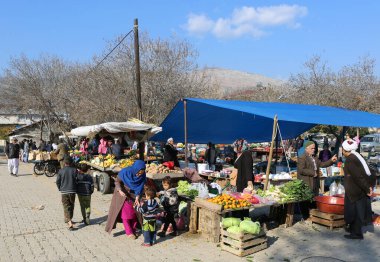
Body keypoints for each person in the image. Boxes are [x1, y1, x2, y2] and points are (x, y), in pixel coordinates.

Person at [105, 160, 147, 238]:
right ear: (135, 169)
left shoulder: (143, 175)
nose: (139, 175)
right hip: (123, 195)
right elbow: (117, 182)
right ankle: (129, 232)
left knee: (135, 213)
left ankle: (134, 229)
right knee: (126, 215)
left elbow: (141, 187)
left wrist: (138, 197)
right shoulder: (125, 172)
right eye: (138, 172)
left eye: (141, 173)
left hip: (134, 195)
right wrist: (120, 190)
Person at [342, 139, 373, 240]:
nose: (342, 151)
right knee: (355, 210)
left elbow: (358, 176)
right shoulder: (357, 156)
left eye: (342, 149)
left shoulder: (351, 159)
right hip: (357, 189)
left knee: (354, 211)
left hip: (354, 190)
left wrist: (367, 189)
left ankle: (356, 233)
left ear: (345, 150)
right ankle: (353, 230)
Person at [297, 141, 337, 218]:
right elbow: (301, 170)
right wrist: (313, 173)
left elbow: (322, 164)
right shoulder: (302, 158)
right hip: (306, 181)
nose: (313, 150)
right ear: (306, 148)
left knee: (314, 197)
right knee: (306, 199)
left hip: (315, 181)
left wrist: (331, 160)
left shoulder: (315, 157)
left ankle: (313, 214)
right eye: (312, 148)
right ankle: (305, 216)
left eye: (314, 148)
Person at [56, 156, 77, 230]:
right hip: (72, 191)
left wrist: (60, 188)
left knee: (66, 206)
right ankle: (69, 219)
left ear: (64, 163)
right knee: (71, 205)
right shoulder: (74, 170)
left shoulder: (61, 171)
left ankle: (69, 222)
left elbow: (58, 181)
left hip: (64, 191)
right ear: (71, 162)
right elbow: (76, 180)